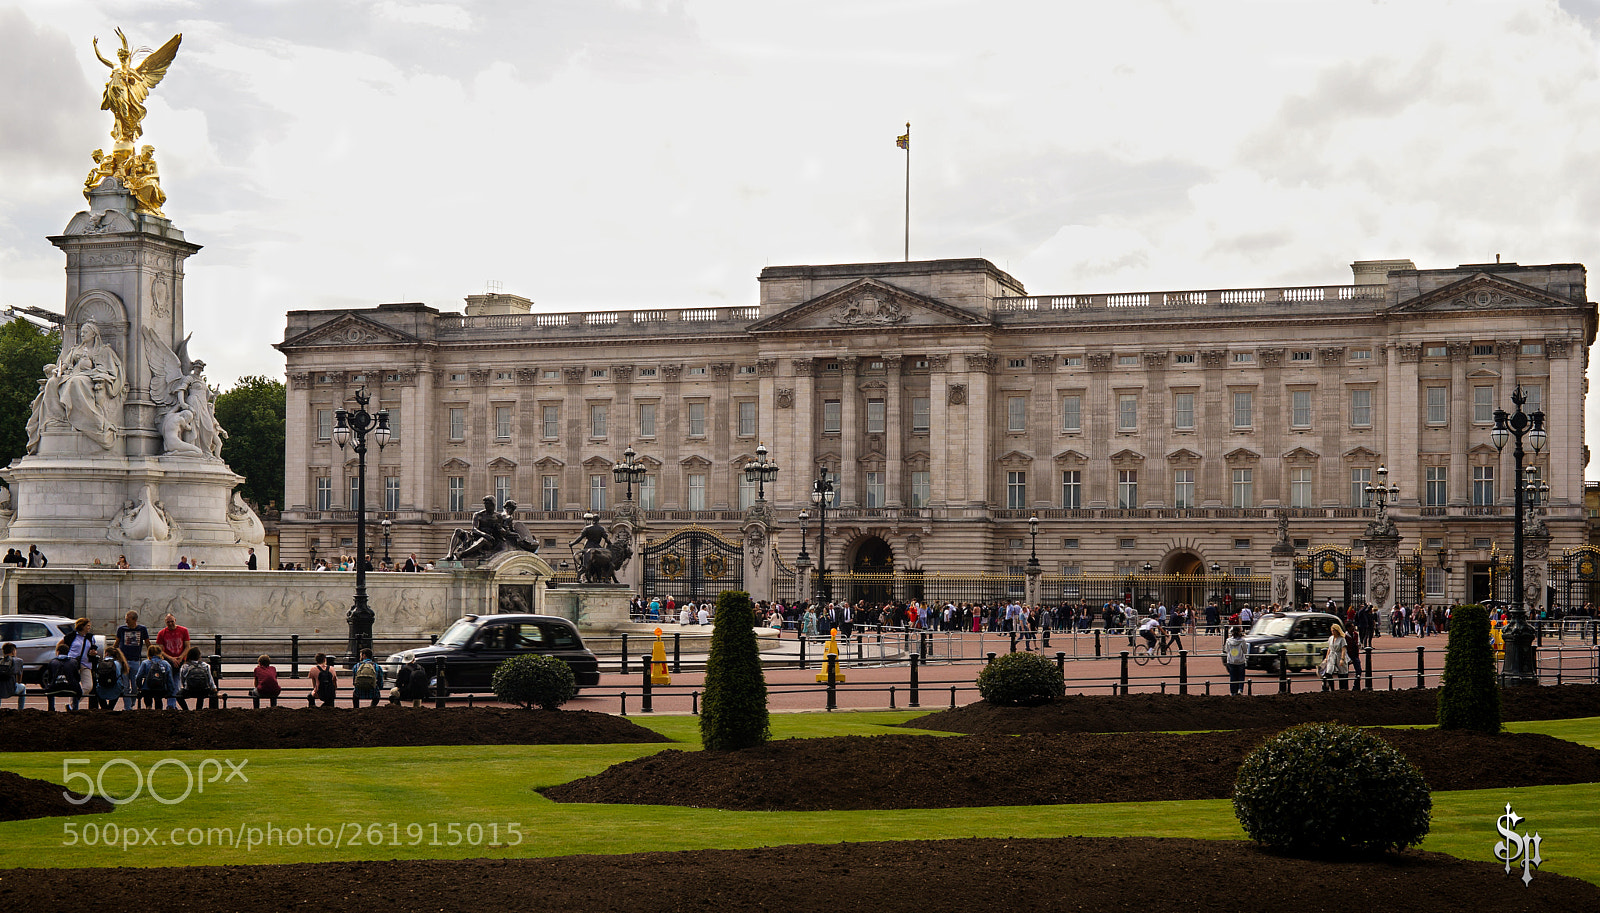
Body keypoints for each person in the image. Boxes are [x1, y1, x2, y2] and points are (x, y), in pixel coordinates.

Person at [42, 642, 82, 710]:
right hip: (71, 689)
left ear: (58, 652)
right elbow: (78, 678)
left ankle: (51, 709)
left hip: (54, 689)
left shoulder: (52, 662)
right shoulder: (74, 662)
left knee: (49, 688)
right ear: (68, 652)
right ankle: (75, 709)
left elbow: (49, 678)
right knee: (78, 689)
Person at [135, 644, 176, 709]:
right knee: (158, 700)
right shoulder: (165, 664)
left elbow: (138, 676)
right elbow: (170, 679)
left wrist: (140, 686)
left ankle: (148, 707)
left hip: (147, 688)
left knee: (147, 697)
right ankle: (158, 711)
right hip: (160, 689)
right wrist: (170, 691)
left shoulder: (145, 663)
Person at [63, 617, 96, 696]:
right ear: (82, 626)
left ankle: (73, 704)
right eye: (87, 626)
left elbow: (93, 647)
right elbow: (61, 645)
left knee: (88, 686)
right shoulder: (71, 636)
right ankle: (72, 706)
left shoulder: (90, 637)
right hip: (73, 663)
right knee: (74, 685)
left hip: (85, 663)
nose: (89, 627)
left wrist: (93, 652)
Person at [96, 646, 130, 710]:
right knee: (118, 685)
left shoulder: (100, 663)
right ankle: (110, 708)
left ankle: (104, 708)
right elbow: (123, 679)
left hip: (101, 689)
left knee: (98, 690)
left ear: (106, 654)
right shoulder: (119, 663)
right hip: (115, 689)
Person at [1320, 623, 1349, 691]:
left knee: (1342, 673)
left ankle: (1342, 689)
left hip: (1339, 656)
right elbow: (1329, 649)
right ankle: (1332, 688)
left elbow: (1343, 650)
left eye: (1334, 631)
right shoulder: (1331, 638)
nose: (1332, 632)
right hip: (1332, 656)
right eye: (1332, 631)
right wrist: (1326, 658)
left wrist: (1342, 659)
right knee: (1328, 672)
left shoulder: (1342, 639)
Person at [1222, 625, 1248, 695]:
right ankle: (1240, 689)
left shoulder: (1228, 640)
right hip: (1240, 660)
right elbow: (1245, 651)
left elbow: (1226, 650)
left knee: (1233, 677)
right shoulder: (1242, 641)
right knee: (1241, 676)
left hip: (1231, 660)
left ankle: (1233, 692)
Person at [1, 642, 27, 709]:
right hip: (11, 689)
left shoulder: (0, 660)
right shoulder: (18, 661)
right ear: (13, 651)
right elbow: (19, 679)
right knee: (23, 687)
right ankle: (20, 709)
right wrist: (18, 682)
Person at [1344, 623, 1363, 691]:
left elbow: (1358, 642)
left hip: (1355, 655)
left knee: (1359, 670)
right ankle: (1345, 687)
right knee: (1345, 672)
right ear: (1348, 628)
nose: (1353, 628)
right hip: (1348, 655)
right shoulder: (1345, 636)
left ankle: (1356, 686)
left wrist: (1358, 645)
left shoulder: (1356, 634)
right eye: (1352, 627)